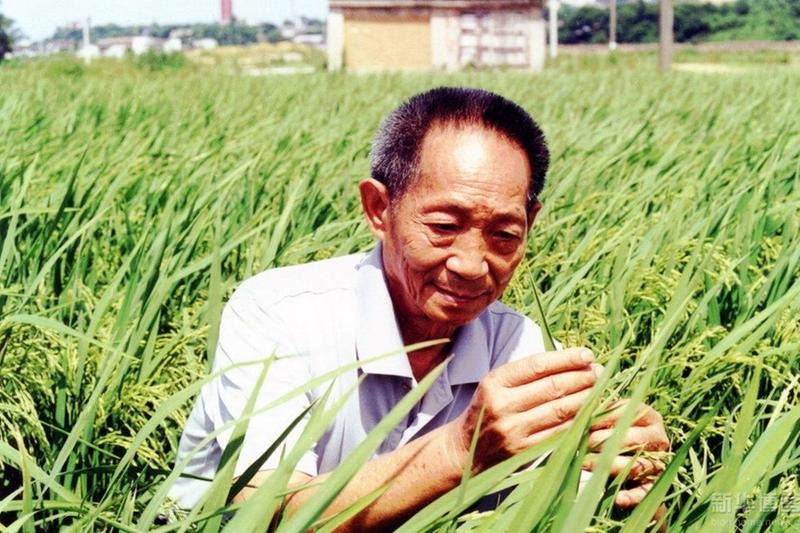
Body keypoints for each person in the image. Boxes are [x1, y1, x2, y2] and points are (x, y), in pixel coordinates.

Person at [169, 87, 669, 529]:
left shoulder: (519, 346)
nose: (473, 265)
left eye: (504, 234)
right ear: (379, 209)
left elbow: (564, 509)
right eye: (444, 226)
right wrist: (460, 450)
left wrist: (631, 484)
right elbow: (270, 512)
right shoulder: (277, 314)